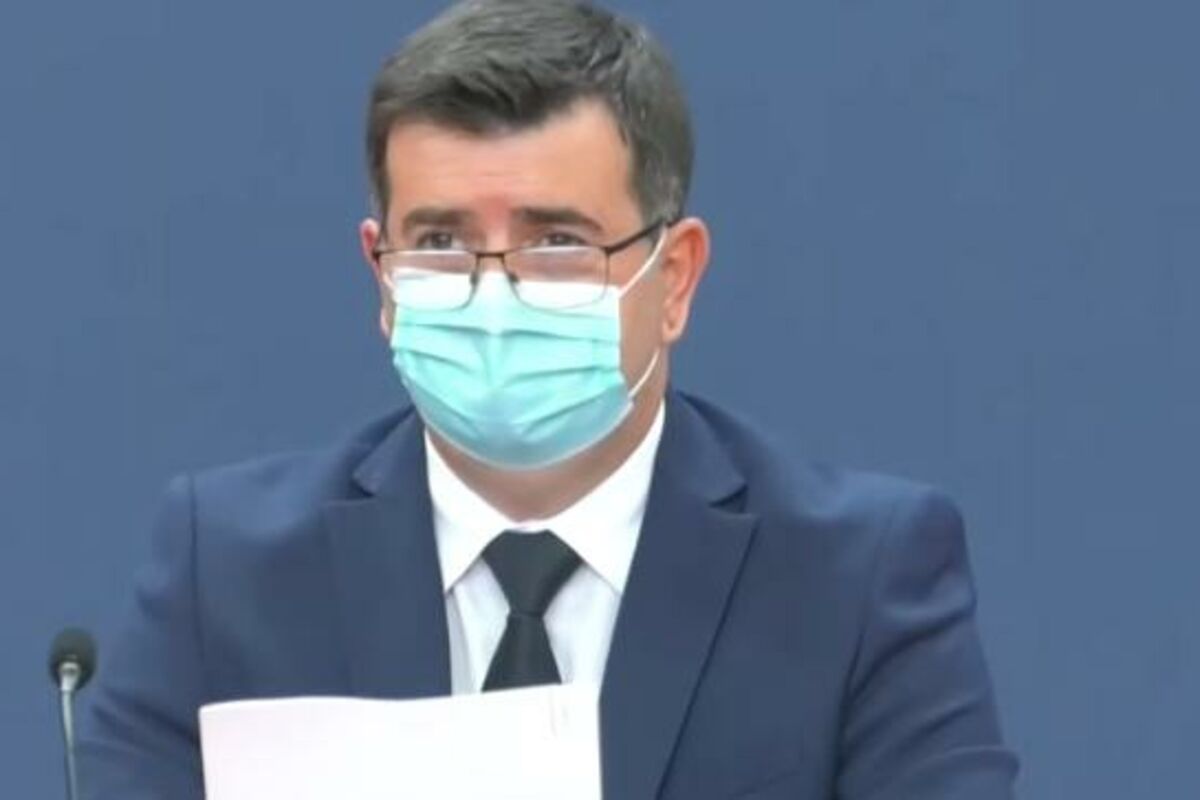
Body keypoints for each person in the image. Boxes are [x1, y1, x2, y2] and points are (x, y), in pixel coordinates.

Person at [77, 1, 1018, 797]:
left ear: (675, 277)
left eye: (558, 242)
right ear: (381, 274)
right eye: (439, 243)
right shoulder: (228, 574)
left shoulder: (857, 581)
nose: (494, 293)